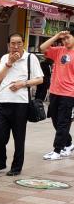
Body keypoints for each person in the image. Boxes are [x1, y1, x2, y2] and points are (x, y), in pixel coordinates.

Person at [0, 32, 43, 176]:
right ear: (8, 45)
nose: (16, 46)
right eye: (13, 43)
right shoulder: (5, 58)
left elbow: (40, 79)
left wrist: (23, 83)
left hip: (20, 103)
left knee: (19, 137)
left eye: (19, 43)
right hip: (3, 101)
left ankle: (16, 167)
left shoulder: (31, 58)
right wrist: (9, 63)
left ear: (23, 44)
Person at [40, 28, 74, 160]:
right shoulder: (59, 51)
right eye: (63, 39)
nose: (65, 41)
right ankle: (69, 143)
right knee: (55, 120)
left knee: (63, 122)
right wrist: (56, 36)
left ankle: (57, 151)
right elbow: (43, 48)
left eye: (68, 38)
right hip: (54, 91)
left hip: (69, 93)